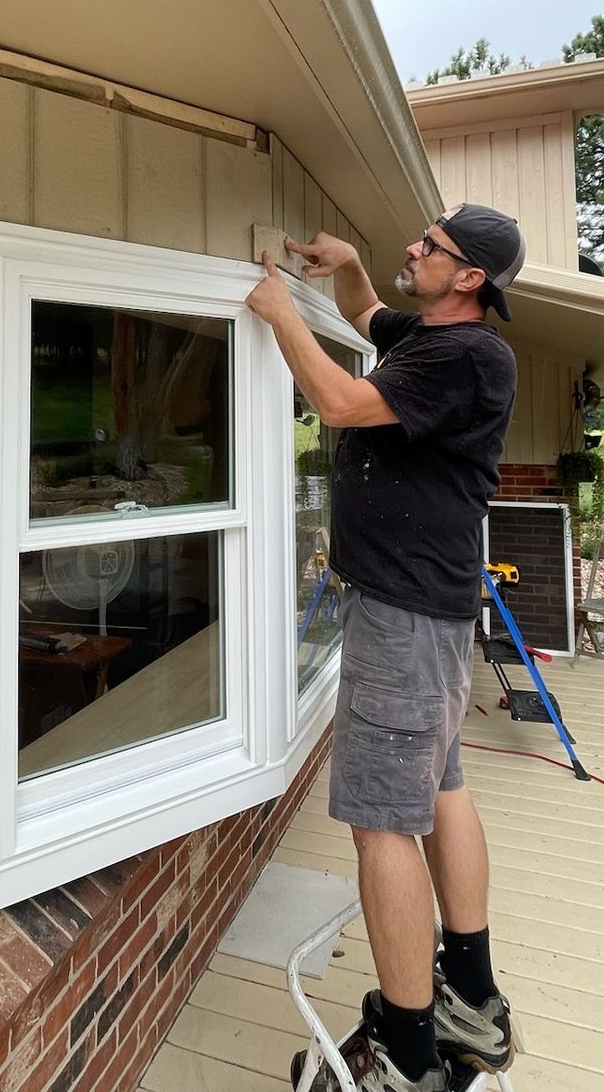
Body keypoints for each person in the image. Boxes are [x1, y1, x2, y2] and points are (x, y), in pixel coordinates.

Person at [245, 204, 527, 1092]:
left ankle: (408, 1061)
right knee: (441, 789)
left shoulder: (466, 356)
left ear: (469, 278)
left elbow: (338, 400)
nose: (417, 248)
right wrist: (350, 268)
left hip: (405, 618)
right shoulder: (432, 333)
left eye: (431, 248)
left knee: (381, 825)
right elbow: (372, 318)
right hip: (426, 613)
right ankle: (470, 999)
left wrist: (280, 307)